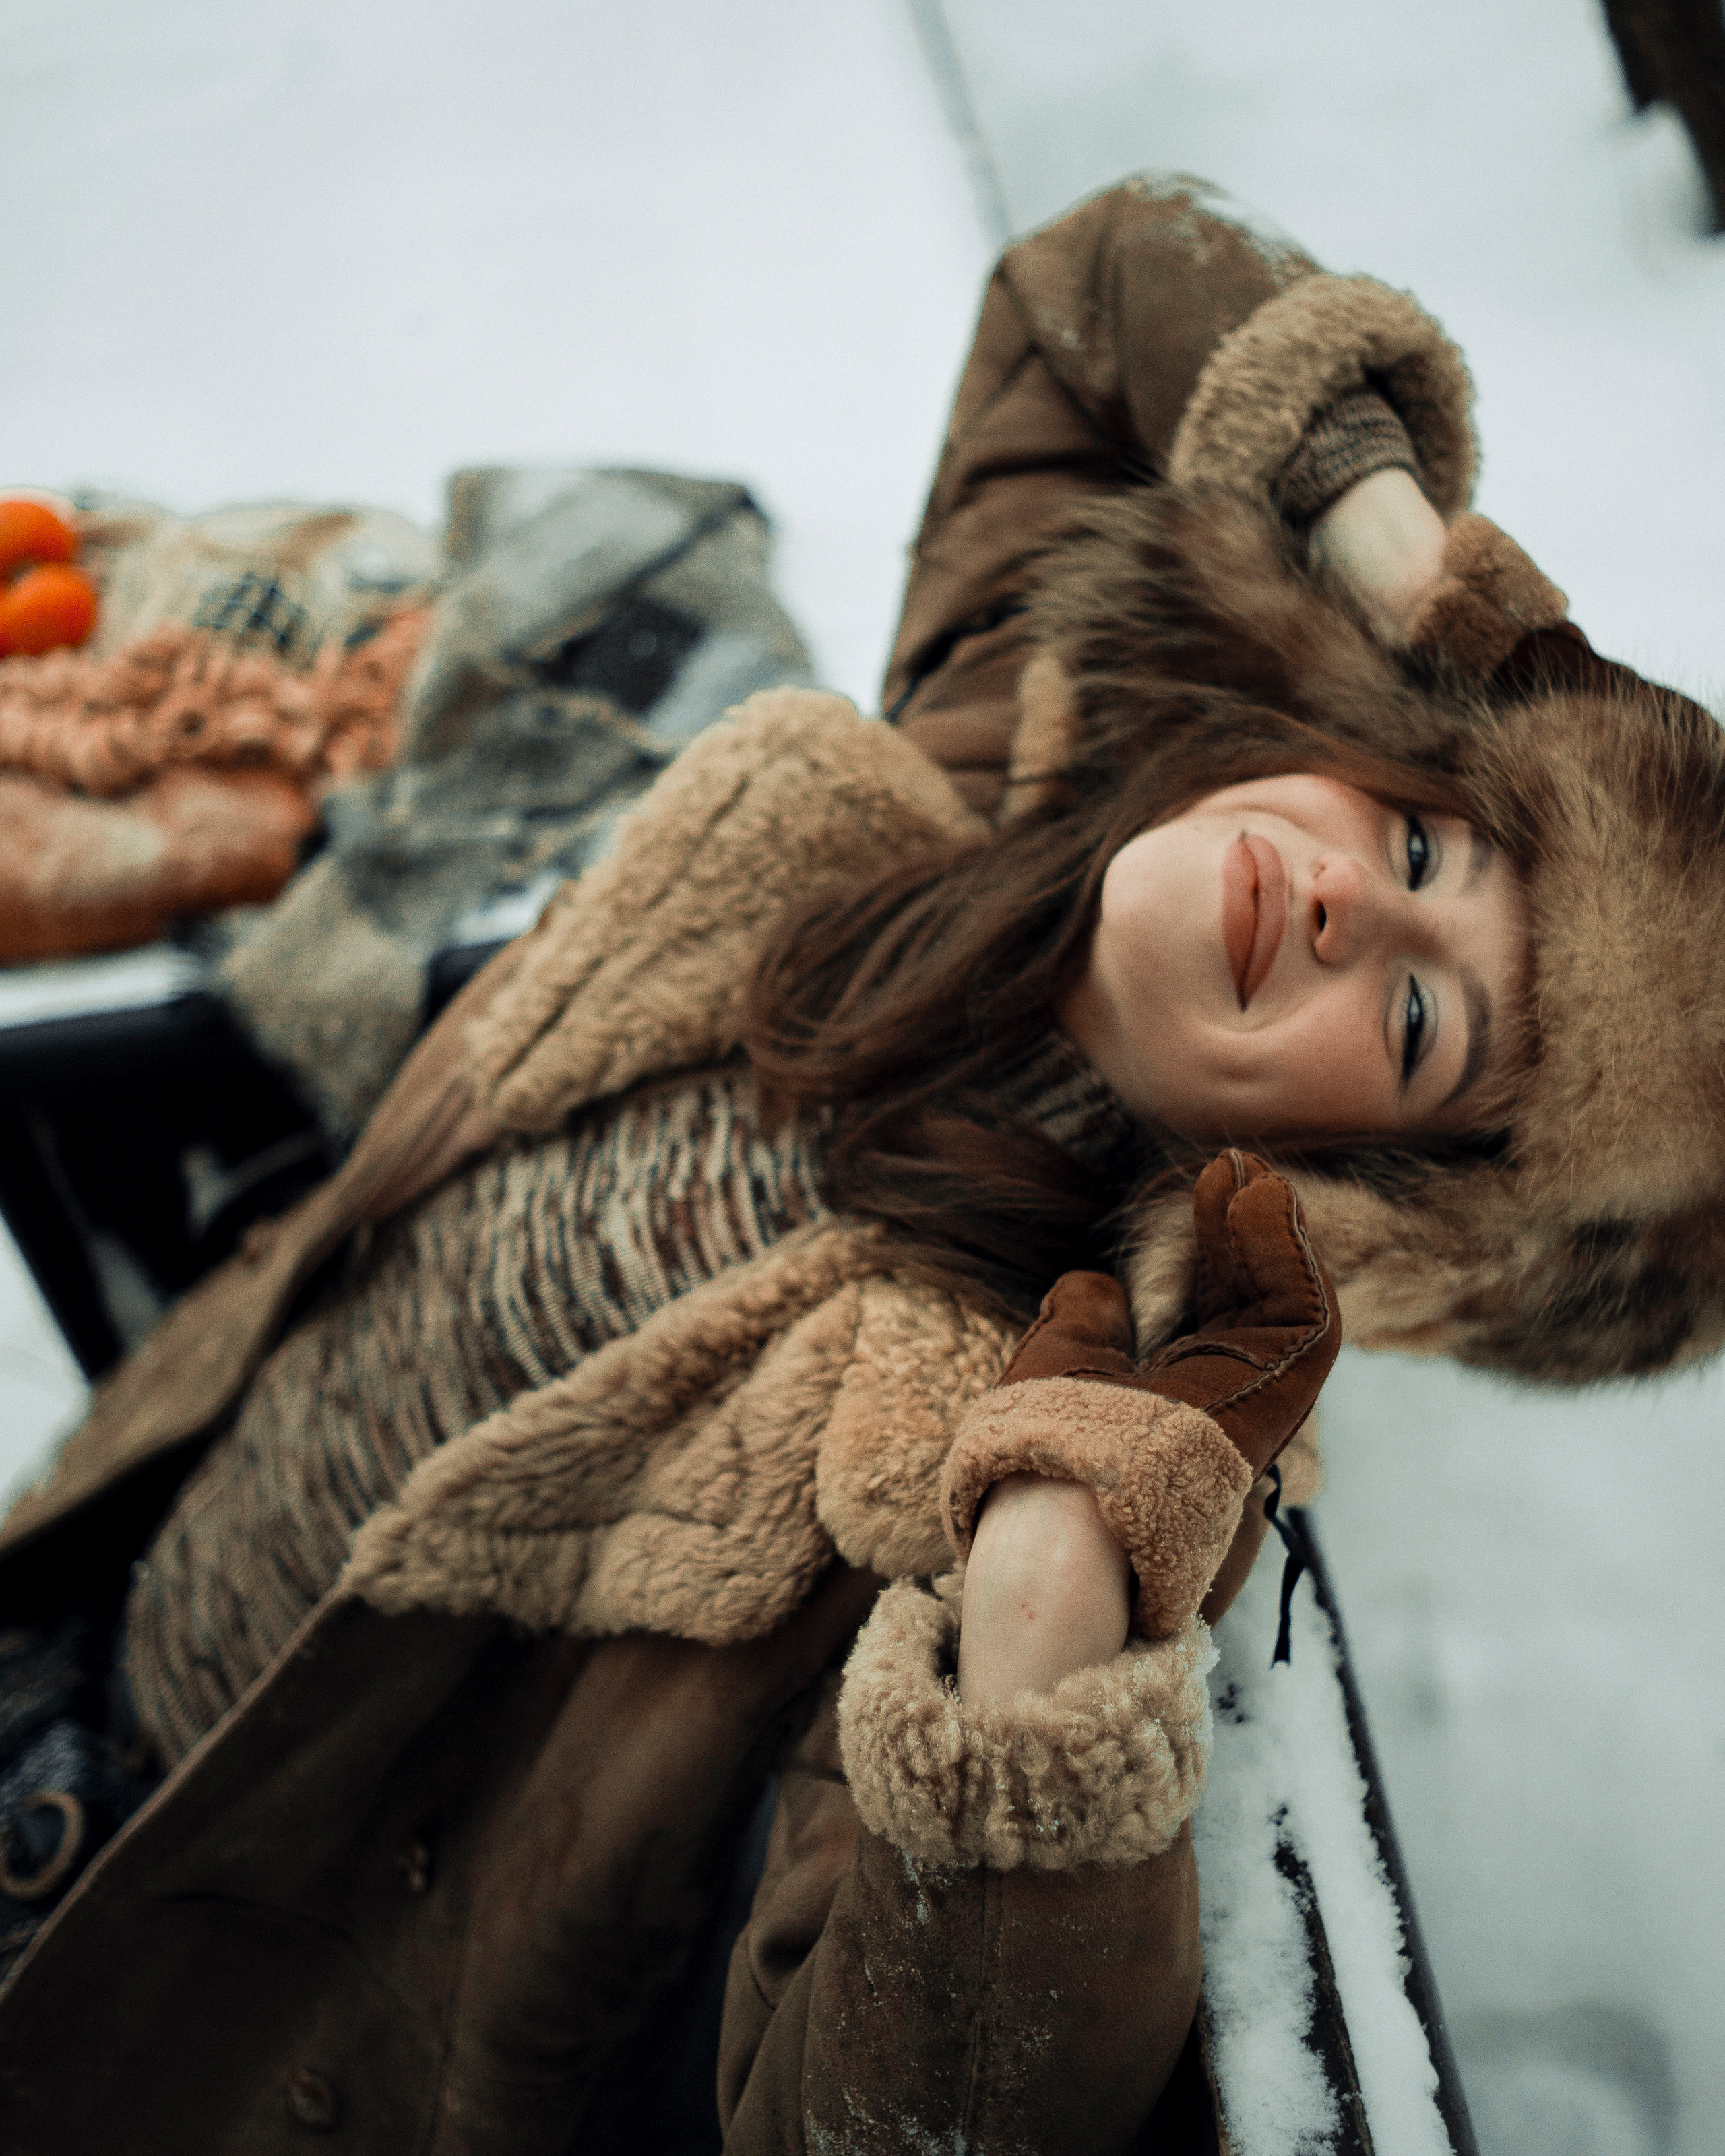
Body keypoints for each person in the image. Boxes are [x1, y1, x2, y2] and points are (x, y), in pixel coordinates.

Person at [2, 173, 1722, 2153]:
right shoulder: (993, 775)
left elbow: (873, 2115)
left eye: (1427, 1026)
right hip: (104, 1558)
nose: (1355, 907)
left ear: (1375, 1201)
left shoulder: (983, 1439)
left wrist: (1031, 1701)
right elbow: (1090, 294)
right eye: (1432, 844)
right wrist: (1417, 561)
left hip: (169, 1986)